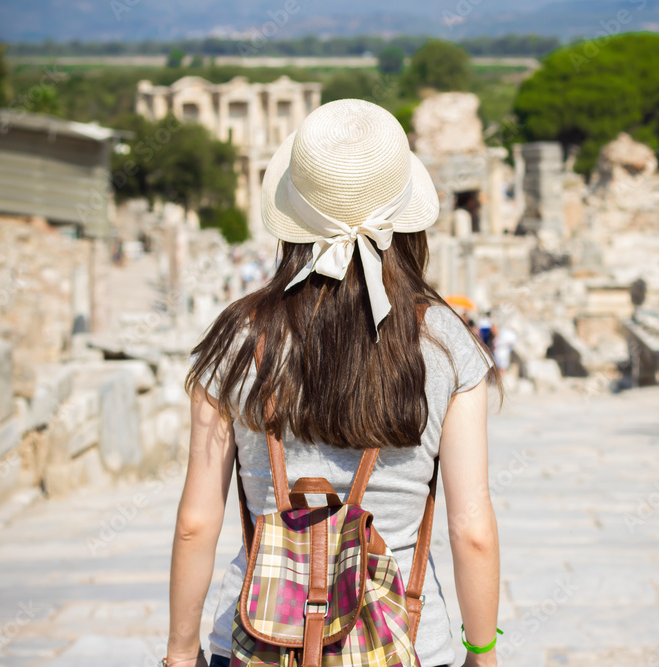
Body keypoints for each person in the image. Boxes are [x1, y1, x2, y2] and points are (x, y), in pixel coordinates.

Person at [169, 99, 502, 667]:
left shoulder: (234, 337)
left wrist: (179, 654)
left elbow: (196, 524)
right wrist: (482, 651)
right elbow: (471, 528)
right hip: (405, 641)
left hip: (257, 640)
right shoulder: (446, 340)